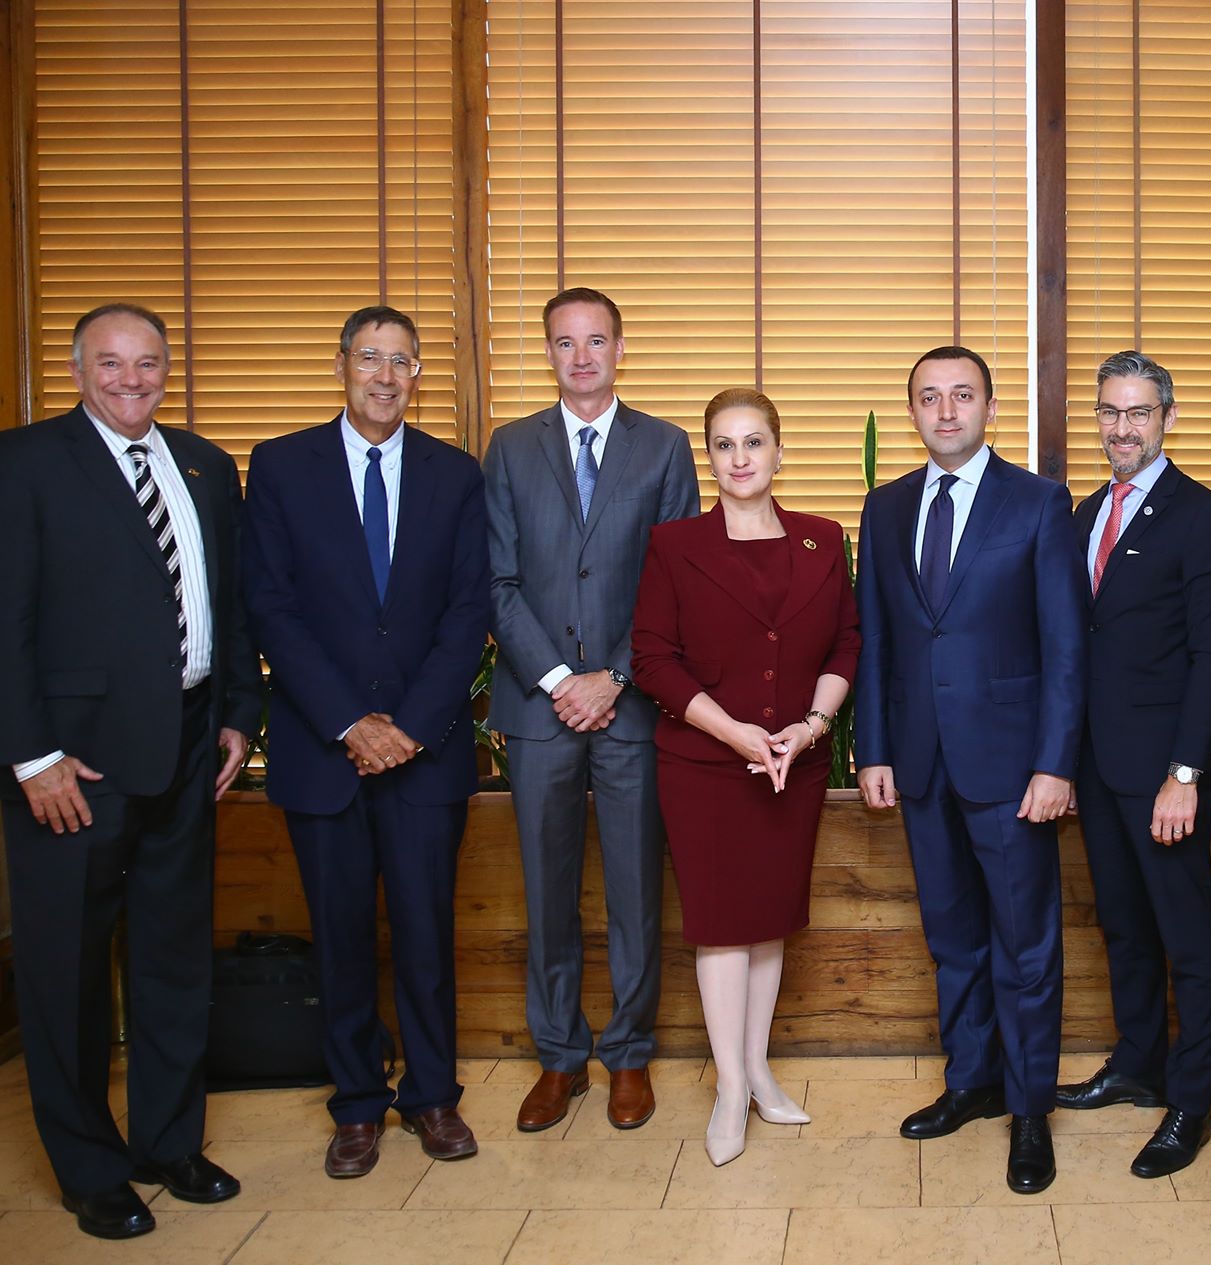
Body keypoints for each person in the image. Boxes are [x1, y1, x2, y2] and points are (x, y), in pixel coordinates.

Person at [0, 303, 263, 1241]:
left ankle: (169, 1142)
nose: (132, 379)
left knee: (173, 960)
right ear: (78, 368)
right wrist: (31, 755)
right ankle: (90, 1168)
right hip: (73, 766)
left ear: (168, 368)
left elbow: (228, 603)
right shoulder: (21, 463)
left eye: (148, 362)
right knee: (69, 973)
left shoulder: (203, 464)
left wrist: (239, 714)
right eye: (112, 363)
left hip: (189, 749)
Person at [242, 306, 493, 1178]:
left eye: (402, 361)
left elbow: (468, 609)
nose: (385, 376)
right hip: (325, 751)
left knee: (426, 935)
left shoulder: (454, 474)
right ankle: (355, 1105)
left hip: (426, 752)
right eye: (370, 357)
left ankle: (432, 1096)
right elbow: (269, 605)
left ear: (417, 374)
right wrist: (352, 722)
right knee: (340, 937)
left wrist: (409, 726)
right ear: (342, 364)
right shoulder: (281, 466)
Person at [854, 346, 1087, 1196]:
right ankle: (972, 1080)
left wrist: (1055, 763)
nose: (945, 410)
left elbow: (1065, 646)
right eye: (929, 396)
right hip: (920, 764)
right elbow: (877, 638)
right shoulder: (884, 508)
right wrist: (875, 747)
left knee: (1024, 946)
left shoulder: (1038, 502)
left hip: (1012, 766)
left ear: (990, 407)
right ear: (912, 411)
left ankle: (1028, 1108)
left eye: (962, 395)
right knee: (951, 938)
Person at [482, 287, 700, 1132]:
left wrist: (611, 676)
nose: (581, 356)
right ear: (548, 352)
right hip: (539, 708)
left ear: (620, 349)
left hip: (632, 705)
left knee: (635, 890)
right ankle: (560, 1056)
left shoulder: (664, 446)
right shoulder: (509, 447)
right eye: (565, 342)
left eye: (596, 340)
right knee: (547, 891)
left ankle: (630, 1054)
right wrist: (557, 679)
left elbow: (675, 580)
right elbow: (499, 581)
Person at [630, 388, 860, 1166]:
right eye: (724, 444)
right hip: (704, 767)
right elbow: (652, 656)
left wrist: (813, 725)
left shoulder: (823, 539)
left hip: (793, 766)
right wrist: (734, 734)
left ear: (779, 451)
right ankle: (729, 1088)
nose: (740, 458)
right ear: (709, 457)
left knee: (768, 921)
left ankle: (757, 1069)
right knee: (723, 926)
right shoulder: (674, 544)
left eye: (754, 442)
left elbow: (846, 642)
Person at [1056, 350, 1211, 1178]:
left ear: (1167, 416)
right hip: (1097, 769)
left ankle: (1190, 1101)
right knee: (1125, 926)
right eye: (1109, 411)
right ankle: (1138, 1062)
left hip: (1165, 774)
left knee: (1187, 936)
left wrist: (1185, 774)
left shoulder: (1203, 517)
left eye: (1137, 412)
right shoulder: (1085, 512)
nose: (1121, 428)